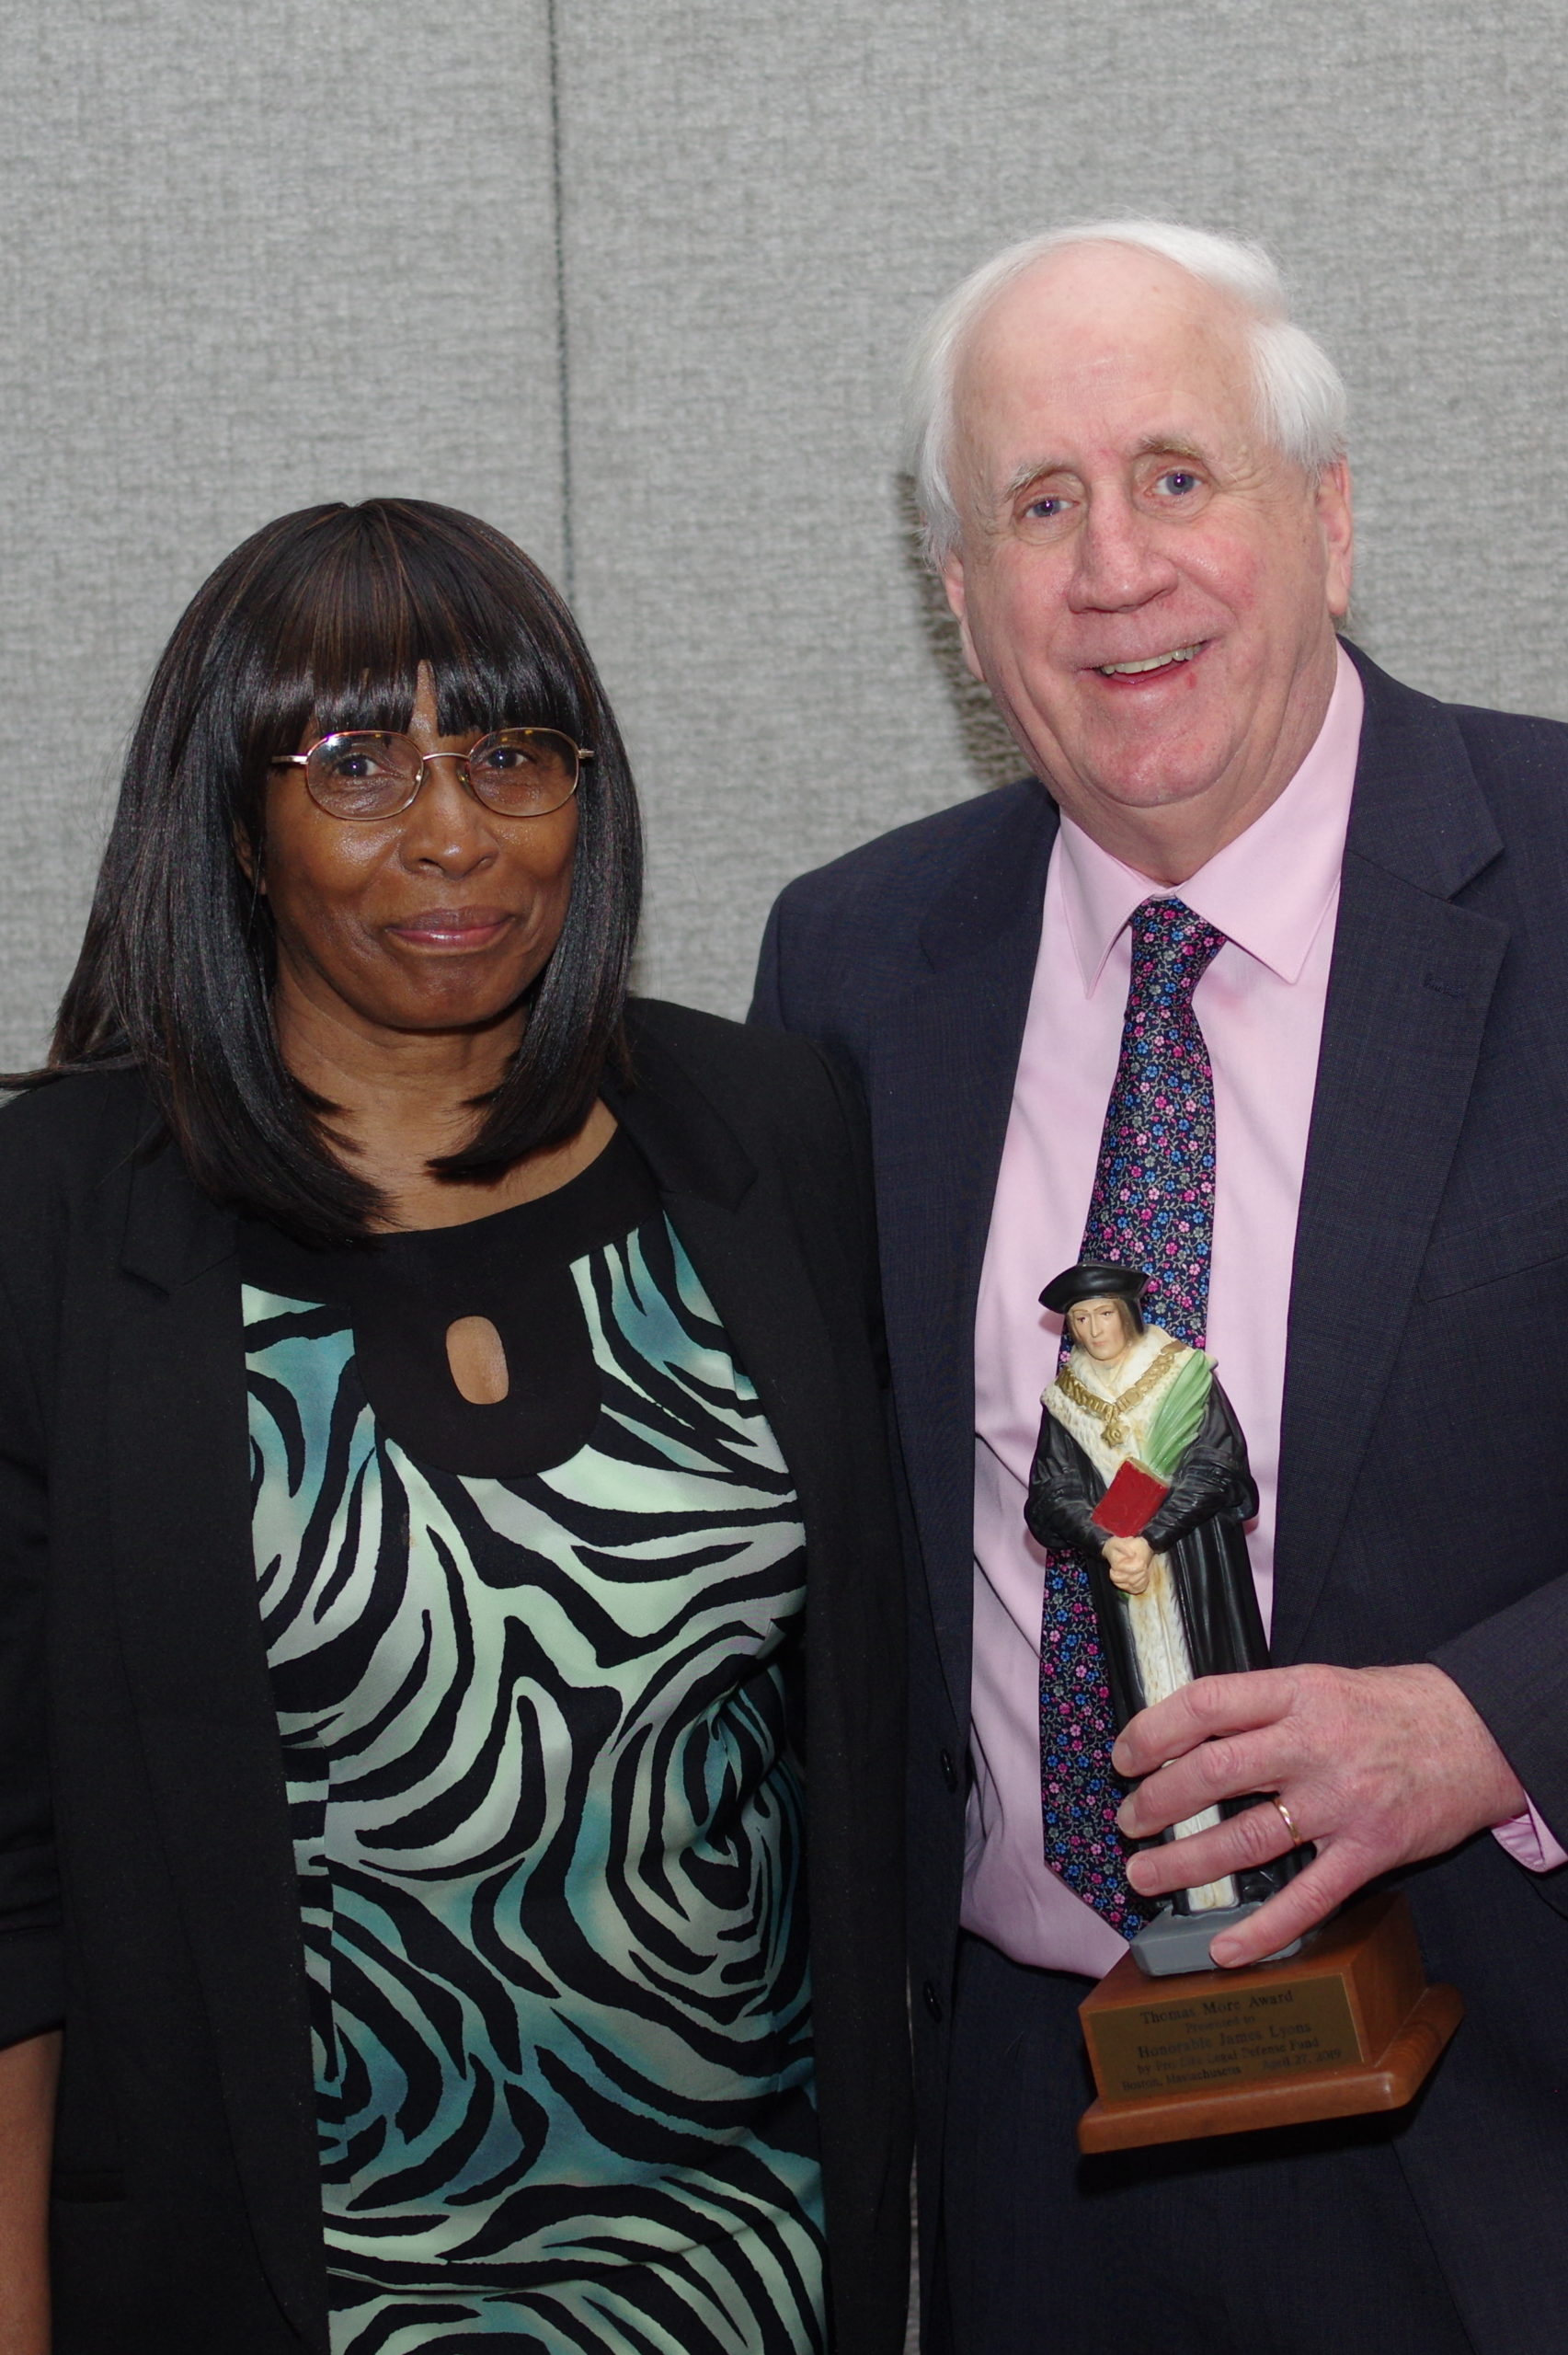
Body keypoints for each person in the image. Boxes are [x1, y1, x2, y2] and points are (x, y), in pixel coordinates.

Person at [751, 220, 1568, 2353]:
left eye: (1175, 477)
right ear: (958, 598)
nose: (1114, 568)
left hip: (1512, 2124)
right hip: (1042, 2154)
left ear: (1328, 521)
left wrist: (1487, 1723)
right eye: (1039, 506)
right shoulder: (850, 969)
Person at [0, 498, 911, 2354]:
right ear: (235, 824)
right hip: (288, 2282)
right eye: (354, 764)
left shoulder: (767, 1129)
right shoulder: (58, 1218)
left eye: (509, 753)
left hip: (747, 2266)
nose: (450, 830)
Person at [1026, 1260, 1299, 1947]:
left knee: (1225, 1711)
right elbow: (1050, 1491)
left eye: (1103, 1315)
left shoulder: (1181, 1374)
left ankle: (1261, 1873)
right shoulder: (1066, 1401)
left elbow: (1218, 1463)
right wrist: (1105, 1540)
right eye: (1080, 1320)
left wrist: (1151, 1535)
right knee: (1149, 1720)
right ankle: (1185, 1885)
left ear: (1127, 1313)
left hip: (1199, 1573)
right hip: (1124, 1588)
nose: (1094, 1330)